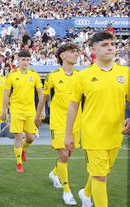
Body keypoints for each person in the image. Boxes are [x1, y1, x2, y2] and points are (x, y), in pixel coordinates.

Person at [65, 31, 129, 207]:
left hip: (116, 134)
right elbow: (73, 106)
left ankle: (85, 193)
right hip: (93, 135)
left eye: (112, 44)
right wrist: (68, 134)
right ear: (93, 49)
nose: (110, 48)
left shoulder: (126, 73)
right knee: (100, 176)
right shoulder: (83, 76)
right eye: (104, 45)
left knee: (102, 172)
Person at [35, 43, 81, 205]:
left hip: (77, 122)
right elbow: (44, 97)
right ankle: (67, 191)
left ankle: (55, 173)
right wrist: (38, 114)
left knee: (69, 153)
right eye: (72, 51)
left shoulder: (80, 76)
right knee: (63, 153)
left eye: (77, 51)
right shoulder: (53, 76)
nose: (76, 54)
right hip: (59, 121)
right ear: (63, 56)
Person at [0, 50, 43, 173]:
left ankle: (23, 149)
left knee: (31, 138)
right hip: (16, 110)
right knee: (18, 136)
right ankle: (18, 163)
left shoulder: (34, 75)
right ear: (18, 60)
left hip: (30, 111)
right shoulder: (12, 75)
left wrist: (41, 111)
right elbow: (6, 94)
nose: (25, 62)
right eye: (23, 60)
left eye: (27, 60)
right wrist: (4, 110)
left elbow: (41, 93)